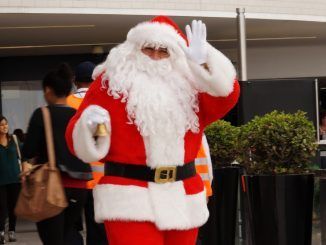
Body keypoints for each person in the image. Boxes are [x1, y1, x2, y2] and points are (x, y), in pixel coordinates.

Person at [66, 16, 240, 245]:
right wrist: (92, 126)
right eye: (149, 49)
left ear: (176, 55)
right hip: (129, 197)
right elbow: (81, 142)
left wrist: (203, 62)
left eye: (164, 51)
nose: (156, 56)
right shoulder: (110, 84)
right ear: (135, 49)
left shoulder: (190, 87)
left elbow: (226, 97)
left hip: (183, 197)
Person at [22, 63, 93, 245]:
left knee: (52, 238)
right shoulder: (78, 115)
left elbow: (28, 150)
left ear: (48, 90)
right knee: (68, 233)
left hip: (52, 186)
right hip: (80, 185)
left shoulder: (42, 114)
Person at [67, 61, 108, 245]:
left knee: (71, 227)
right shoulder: (102, 104)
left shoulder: (67, 103)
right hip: (98, 178)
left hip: (72, 176)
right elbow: (103, 137)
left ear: (75, 81)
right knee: (98, 226)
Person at [0, 116, 21, 244]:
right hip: (1, 180)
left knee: (13, 207)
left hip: (15, 178)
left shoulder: (14, 139)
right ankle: (1, 232)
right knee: (1, 207)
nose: (4, 127)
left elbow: (23, 156)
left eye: (6, 124)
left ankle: (12, 231)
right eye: (1, 125)